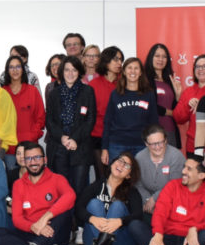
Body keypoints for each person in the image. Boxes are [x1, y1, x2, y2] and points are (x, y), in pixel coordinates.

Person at [0, 140, 75, 245]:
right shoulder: (18, 185)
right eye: (28, 158)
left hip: (54, 234)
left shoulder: (57, 179)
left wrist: (45, 218)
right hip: (31, 232)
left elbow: (71, 196)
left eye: (37, 157)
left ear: (45, 160)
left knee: (65, 208)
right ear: (25, 161)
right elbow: (17, 219)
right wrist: (34, 227)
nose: (33, 162)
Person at [74, 151, 144, 245]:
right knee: (94, 203)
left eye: (127, 165)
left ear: (129, 175)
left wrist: (120, 221)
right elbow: (78, 208)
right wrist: (92, 218)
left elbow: (138, 215)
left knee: (117, 206)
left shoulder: (132, 192)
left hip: (121, 242)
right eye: (120, 161)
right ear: (112, 163)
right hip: (93, 238)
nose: (121, 165)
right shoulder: (97, 186)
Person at [44, 56, 94, 200]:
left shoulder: (87, 91)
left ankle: (78, 216)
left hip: (80, 147)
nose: (70, 73)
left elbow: (90, 120)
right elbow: (49, 120)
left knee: (79, 190)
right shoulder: (54, 93)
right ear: (62, 72)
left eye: (74, 70)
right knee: (61, 192)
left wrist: (75, 139)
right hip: (59, 147)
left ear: (79, 72)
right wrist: (62, 137)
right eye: (67, 70)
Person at [101, 58, 159, 164]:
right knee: (117, 174)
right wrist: (104, 148)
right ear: (123, 71)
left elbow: (154, 122)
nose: (133, 71)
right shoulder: (115, 94)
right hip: (117, 145)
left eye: (136, 68)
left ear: (141, 72)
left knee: (140, 175)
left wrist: (154, 144)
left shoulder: (149, 94)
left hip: (141, 146)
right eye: (129, 68)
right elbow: (107, 122)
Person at [3, 54, 47, 161]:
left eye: (18, 66)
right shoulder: (2, 92)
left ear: (23, 69)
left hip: (30, 148)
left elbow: (41, 118)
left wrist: (31, 136)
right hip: (9, 148)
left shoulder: (33, 91)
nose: (15, 70)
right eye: (11, 67)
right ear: (7, 70)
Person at [135, 124, 184, 218]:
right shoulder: (139, 157)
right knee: (135, 224)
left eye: (161, 142)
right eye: (153, 144)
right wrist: (148, 200)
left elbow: (174, 185)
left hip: (171, 203)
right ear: (146, 143)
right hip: (147, 206)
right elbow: (138, 184)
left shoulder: (176, 156)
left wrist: (154, 199)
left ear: (166, 140)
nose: (157, 147)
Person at [88, 46, 122, 177]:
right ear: (106, 61)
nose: (119, 63)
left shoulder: (123, 84)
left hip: (118, 137)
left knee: (118, 176)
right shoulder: (93, 85)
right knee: (102, 176)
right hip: (97, 136)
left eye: (121, 59)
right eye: (115, 59)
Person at [172, 54, 205, 155]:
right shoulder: (189, 91)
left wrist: (203, 104)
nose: (201, 69)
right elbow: (178, 118)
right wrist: (188, 105)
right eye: (197, 66)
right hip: (193, 145)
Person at [143, 43, 183, 146]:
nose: (161, 59)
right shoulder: (144, 80)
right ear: (151, 58)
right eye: (157, 56)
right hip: (153, 132)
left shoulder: (169, 81)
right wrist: (171, 112)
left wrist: (178, 96)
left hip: (170, 131)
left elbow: (175, 108)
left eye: (164, 57)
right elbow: (149, 105)